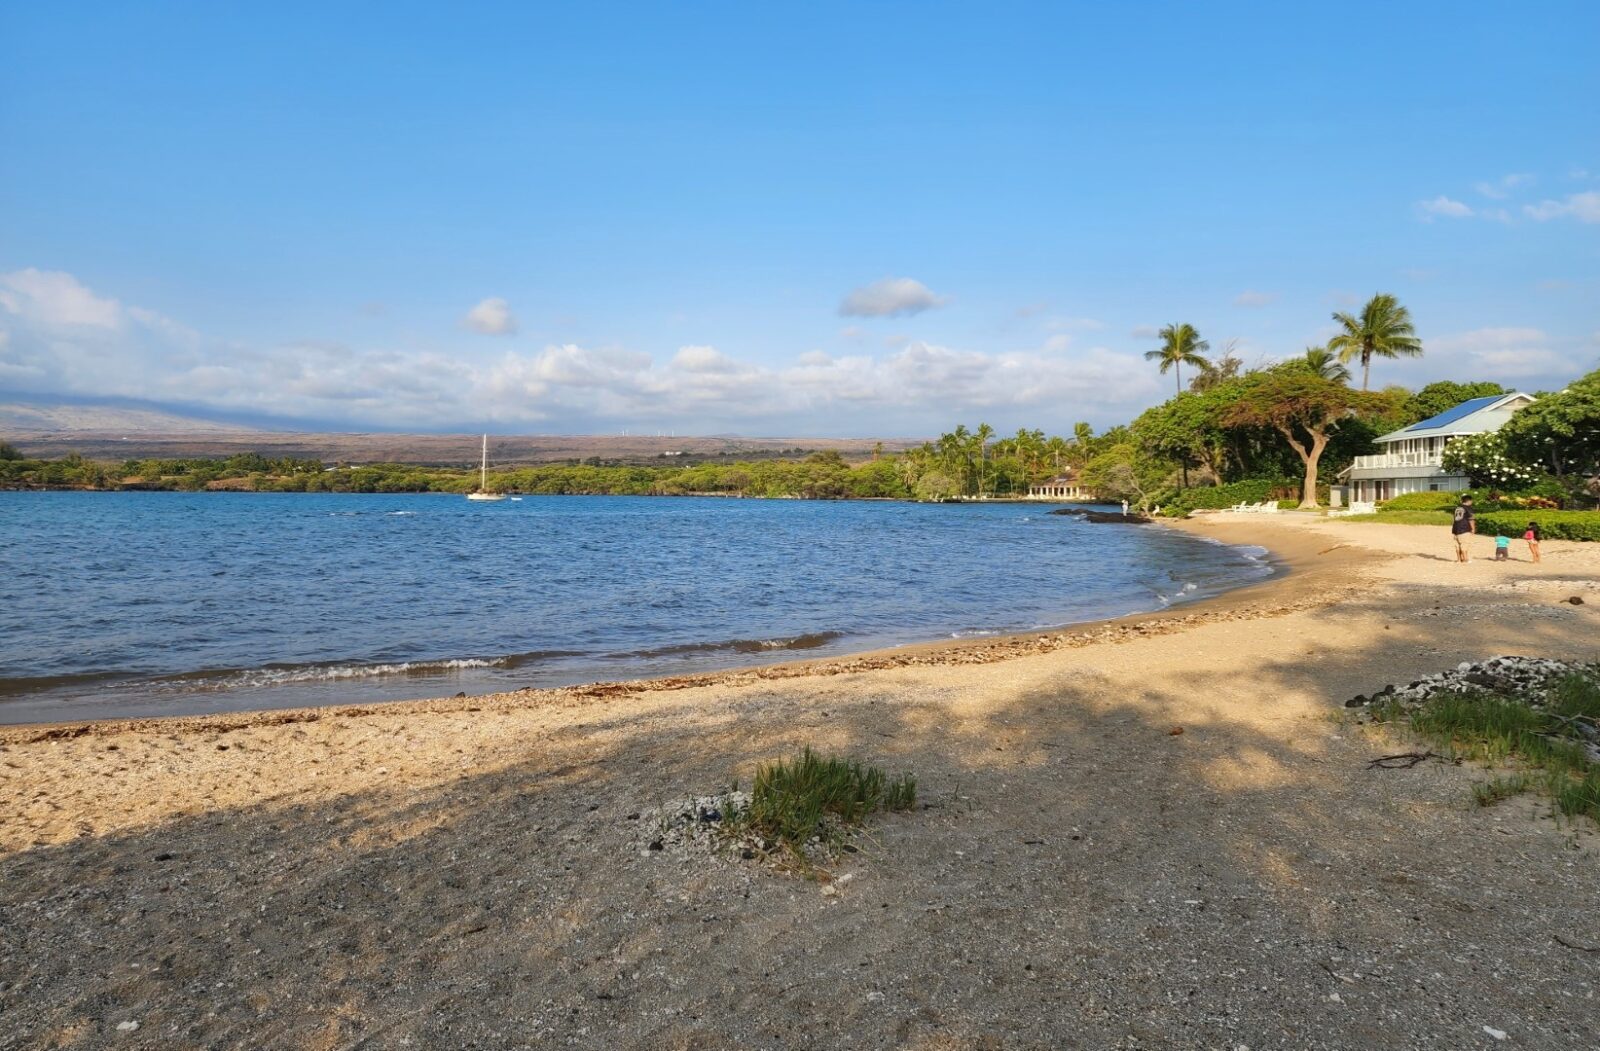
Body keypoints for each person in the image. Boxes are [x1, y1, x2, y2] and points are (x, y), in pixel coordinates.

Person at [1451, 496, 1476, 563]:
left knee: (1457, 544)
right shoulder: (1469, 508)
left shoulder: (1457, 508)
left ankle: (1459, 560)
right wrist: (1473, 529)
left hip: (1456, 529)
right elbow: (1471, 519)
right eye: (1471, 501)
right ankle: (1465, 559)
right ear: (1469, 501)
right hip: (1464, 528)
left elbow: (1454, 519)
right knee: (1464, 544)